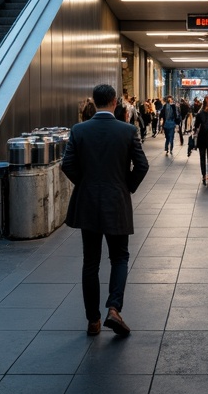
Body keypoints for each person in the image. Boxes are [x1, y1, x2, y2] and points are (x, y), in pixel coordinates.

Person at [61, 82, 149, 336]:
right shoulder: (126, 130)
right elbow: (141, 166)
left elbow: (68, 164)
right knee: (119, 257)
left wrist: (86, 184)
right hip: (116, 202)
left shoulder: (79, 130)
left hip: (88, 204)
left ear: (95, 101)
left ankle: (93, 320)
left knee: (91, 261)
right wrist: (126, 187)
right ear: (114, 102)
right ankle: (114, 308)